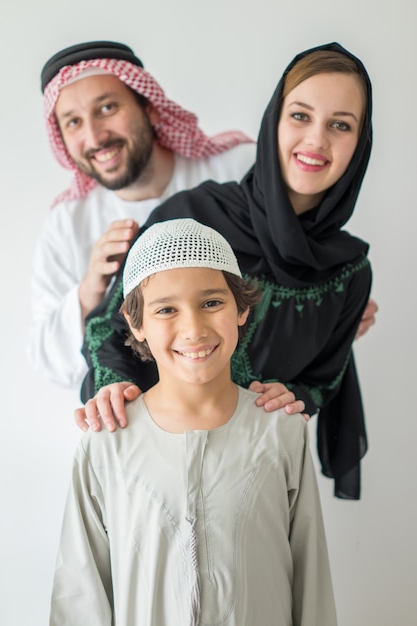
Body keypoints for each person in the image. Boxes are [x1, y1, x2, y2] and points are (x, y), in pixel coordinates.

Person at [79, 42, 374, 500]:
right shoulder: (194, 218)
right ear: (273, 120)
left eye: (340, 124)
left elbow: (321, 379)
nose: (317, 139)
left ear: (360, 143)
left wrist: (292, 397)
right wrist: (114, 386)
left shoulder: (349, 272)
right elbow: (111, 324)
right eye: (300, 115)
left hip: (257, 483)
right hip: (152, 471)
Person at [50, 218, 337, 626]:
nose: (194, 328)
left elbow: (312, 583)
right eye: (166, 309)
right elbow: (79, 595)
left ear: (241, 308)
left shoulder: (281, 429)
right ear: (137, 324)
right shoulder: (107, 442)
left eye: (212, 303)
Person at [28, 40, 257, 389]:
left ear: (150, 108)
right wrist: (91, 291)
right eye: (73, 122)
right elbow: (50, 363)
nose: (95, 136)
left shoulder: (236, 169)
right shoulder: (67, 224)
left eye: (106, 108)